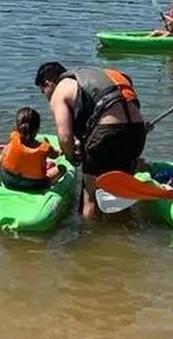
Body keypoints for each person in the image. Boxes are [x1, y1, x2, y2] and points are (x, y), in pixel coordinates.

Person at [35, 62, 148, 220]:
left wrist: (70, 156)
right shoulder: (100, 75)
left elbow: (65, 137)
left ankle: (89, 238)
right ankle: (125, 235)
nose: (47, 97)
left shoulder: (60, 89)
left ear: (49, 83)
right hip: (137, 131)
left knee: (91, 197)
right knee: (121, 196)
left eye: (43, 92)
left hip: (107, 132)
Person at [0, 107, 63, 192]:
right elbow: (55, 155)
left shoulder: (13, 137)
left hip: (8, 180)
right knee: (61, 169)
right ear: (38, 128)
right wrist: (62, 150)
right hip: (34, 185)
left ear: (16, 126)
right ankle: (48, 174)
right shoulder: (45, 148)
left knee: (6, 150)